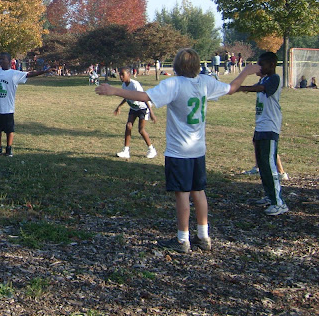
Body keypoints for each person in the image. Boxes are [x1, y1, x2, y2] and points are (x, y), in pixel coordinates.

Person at [96, 48, 258, 253]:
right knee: (198, 191)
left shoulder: (174, 84)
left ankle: (182, 240)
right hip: (198, 149)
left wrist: (114, 91)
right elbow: (232, 88)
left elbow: (145, 96)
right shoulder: (205, 82)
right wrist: (246, 71)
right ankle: (203, 236)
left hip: (179, 151)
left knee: (182, 194)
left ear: (176, 66)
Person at [236, 52, 288, 216]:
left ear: (271, 65)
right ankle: (269, 196)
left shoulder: (274, 79)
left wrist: (239, 88)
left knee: (269, 165)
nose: (259, 68)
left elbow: (259, 89)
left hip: (270, 127)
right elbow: (258, 85)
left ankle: (279, 203)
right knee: (262, 165)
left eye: (261, 65)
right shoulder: (264, 78)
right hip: (260, 126)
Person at [113, 68, 157, 159]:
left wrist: (151, 112)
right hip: (134, 108)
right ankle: (126, 151)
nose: (121, 77)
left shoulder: (135, 85)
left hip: (143, 108)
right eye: (120, 75)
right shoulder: (124, 85)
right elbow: (126, 97)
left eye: (123, 75)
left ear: (129, 75)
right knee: (128, 126)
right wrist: (119, 106)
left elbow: (144, 98)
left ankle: (151, 149)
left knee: (141, 130)